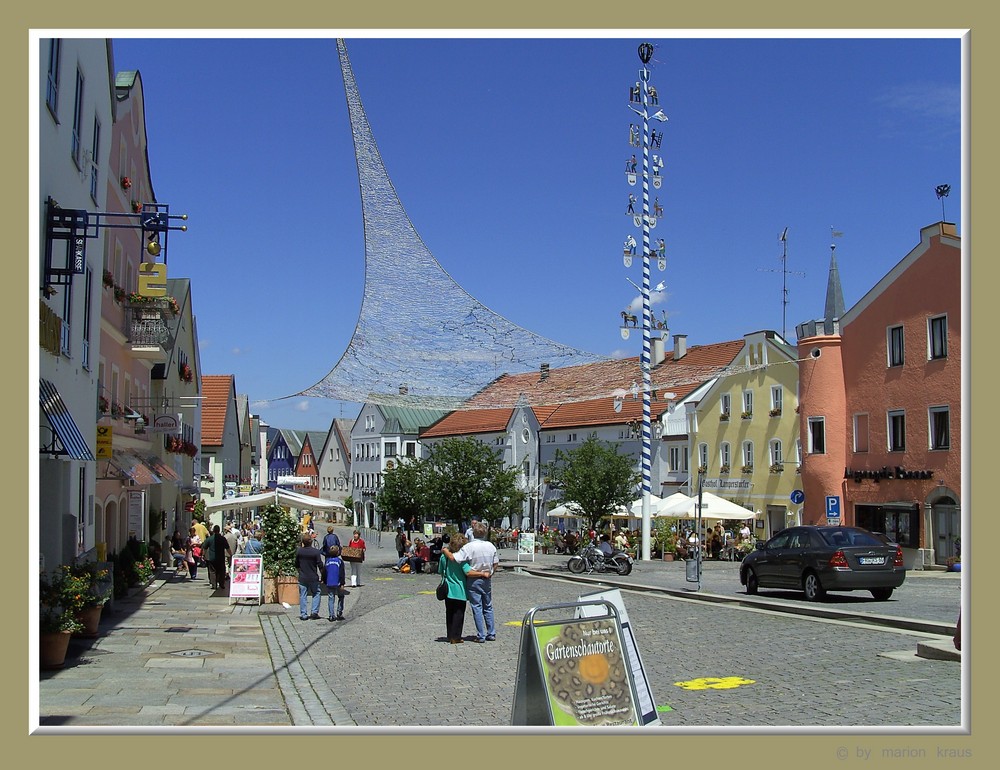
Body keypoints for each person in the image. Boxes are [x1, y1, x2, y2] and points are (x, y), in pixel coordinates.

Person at [444, 521, 499, 643]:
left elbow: (454, 558)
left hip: (474, 579)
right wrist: (490, 572)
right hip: (487, 579)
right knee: (488, 606)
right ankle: (491, 632)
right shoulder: (491, 546)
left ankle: (481, 635)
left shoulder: (469, 547)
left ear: (473, 533)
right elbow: (496, 563)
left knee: (477, 607)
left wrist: (445, 551)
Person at [438, 533, 491, 644]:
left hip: (448, 588)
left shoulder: (444, 557)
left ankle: (450, 635)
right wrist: (482, 574)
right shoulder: (462, 559)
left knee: (449, 613)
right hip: (459, 589)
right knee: (458, 613)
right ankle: (456, 637)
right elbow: (468, 572)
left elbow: (440, 570)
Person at [295, 532, 324, 620]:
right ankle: (314, 612)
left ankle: (304, 614)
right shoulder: (315, 552)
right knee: (316, 593)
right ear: (311, 542)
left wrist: (299, 572)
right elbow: (320, 565)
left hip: (303, 576)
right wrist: (323, 576)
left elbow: (296, 564)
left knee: (303, 595)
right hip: (313, 576)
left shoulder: (299, 551)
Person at [323, 545, 347, 621]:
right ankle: (339, 613)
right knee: (341, 597)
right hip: (338, 582)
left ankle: (331, 615)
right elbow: (342, 573)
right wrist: (342, 583)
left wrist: (324, 580)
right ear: (338, 553)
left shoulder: (327, 562)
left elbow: (324, 572)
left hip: (329, 582)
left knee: (331, 598)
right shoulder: (339, 561)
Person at [205, 525, 232, 590]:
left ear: (213, 530)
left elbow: (204, 547)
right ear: (219, 530)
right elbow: (227, 548)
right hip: (221, 558)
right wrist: (231, 554)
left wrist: (203, 555)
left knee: (212, 571)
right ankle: (221, 584)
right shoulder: (223, 538)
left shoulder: (210, 538)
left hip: (212, 558)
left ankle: (214, 585)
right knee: (221, 571)